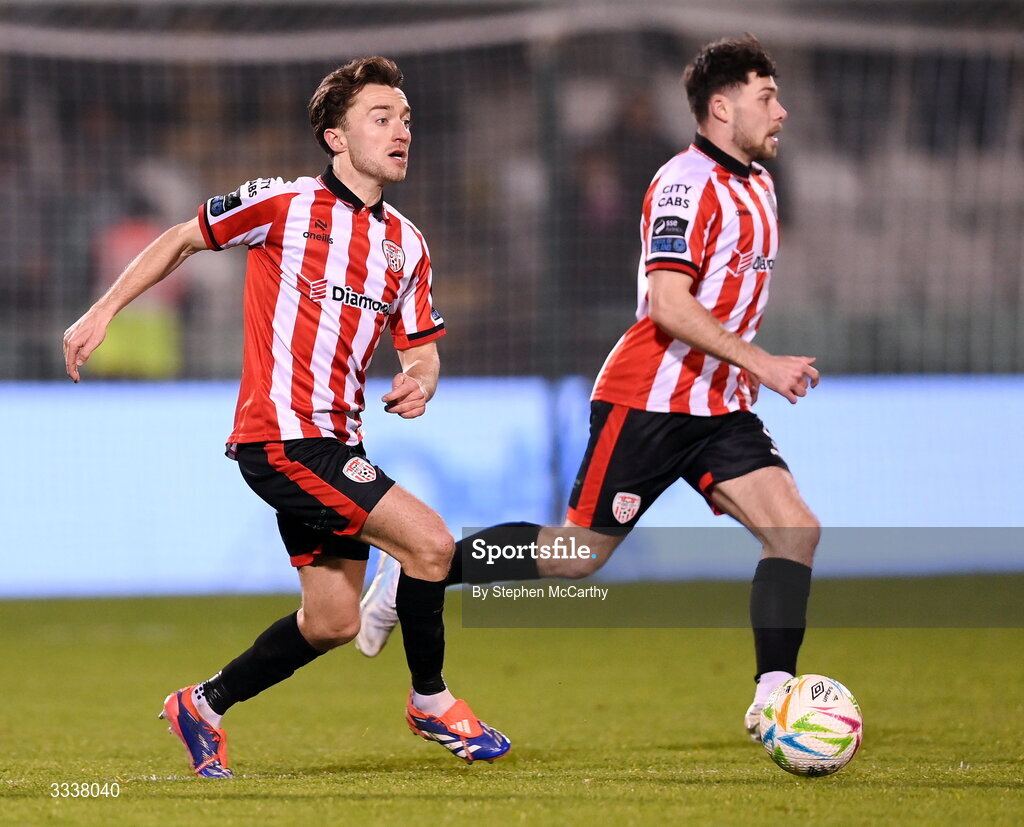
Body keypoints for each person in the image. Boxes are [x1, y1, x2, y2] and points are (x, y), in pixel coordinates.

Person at [356, 35, 820, 743]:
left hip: (718, 407)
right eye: (767, 97)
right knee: (580, 555)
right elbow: (667, 302)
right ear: (722, 108)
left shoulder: (759, 184)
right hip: (648, 400)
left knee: (794, 530)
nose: (781, 111)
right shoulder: (684, 184)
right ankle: (425, 566)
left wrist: (744, 374)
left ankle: (775, 699)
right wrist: (763, 363)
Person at [62, 56, 510, 777]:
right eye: (381, 118)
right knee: (428, 544)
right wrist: (103, 308)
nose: (401, 132)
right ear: (336, 137)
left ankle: (202, 705)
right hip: (284, 439)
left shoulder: (408, 245)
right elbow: (181, 236)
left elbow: (421, 348)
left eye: (406, 120)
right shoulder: (285, 204)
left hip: (338, 440)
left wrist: (420, 381)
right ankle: (431, 698)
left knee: (332, 619)